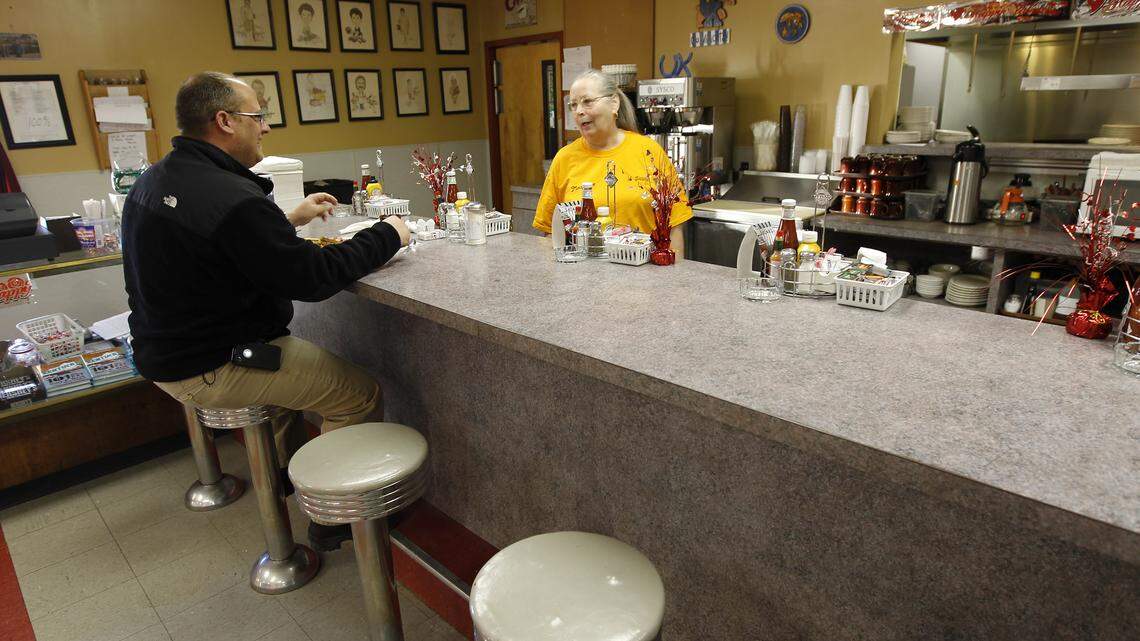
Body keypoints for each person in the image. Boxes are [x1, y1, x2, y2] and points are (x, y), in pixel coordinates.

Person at [121, 72, 411, 551]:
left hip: (164, 352)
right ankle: (332, 517)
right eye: (258, 117)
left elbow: (218, 243)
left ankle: (285, 477)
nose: (266, 129)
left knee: (287, 390)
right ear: (224, 121)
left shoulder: (160, 177)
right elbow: (311, 277)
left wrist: (284, 219)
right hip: (212, 362)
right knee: (358, 395)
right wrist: (387, 235)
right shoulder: (230, 198)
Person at [533, 69, 691, 257]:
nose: (579, 111)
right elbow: (549, 231)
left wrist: (673, 276)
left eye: (587, 101)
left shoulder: (649, 151)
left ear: (614, 103)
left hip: (644, 277)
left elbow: (675, 225)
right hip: (582, 278)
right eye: (573, 105)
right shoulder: (564, 158)